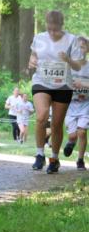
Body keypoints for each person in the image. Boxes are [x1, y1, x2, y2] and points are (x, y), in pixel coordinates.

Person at [28, 10, 86, 173]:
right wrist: (32, 61)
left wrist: (68, 59)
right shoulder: (39, 38)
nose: (52, 32)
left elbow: (78, 66)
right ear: (46, 25)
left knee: (57, 123)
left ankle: (54, 158)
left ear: (62, 25)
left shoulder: (72, 40)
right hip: (42, 82)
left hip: (63, 85)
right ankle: (40, 154)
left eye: (56, 29)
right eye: (50, 28)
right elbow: (33, 56)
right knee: (41, 116)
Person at [62, 36, 89, 170]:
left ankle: (80, 160)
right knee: (73, 135)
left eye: (83, 47)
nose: (80, 50)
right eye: (77, 47)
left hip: (86, 105)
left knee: (82, 132)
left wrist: (83, 84)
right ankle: (71, 142)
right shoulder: (69, 67)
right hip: (70, 106)